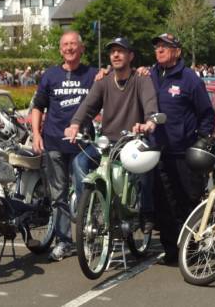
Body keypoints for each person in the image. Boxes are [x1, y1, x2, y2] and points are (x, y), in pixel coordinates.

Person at [65, 37, 159, 233]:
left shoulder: (141, 79)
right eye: (112, 51)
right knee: (79, 162)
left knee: (144, 173)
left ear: (130, 56)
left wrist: (149, 122)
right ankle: (90, 210)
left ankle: (147, 212)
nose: (115, 55)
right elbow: (88, 106)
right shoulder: (103, 81)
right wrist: (75, 124)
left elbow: (150, 104)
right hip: (107, 142)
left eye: (121, 51)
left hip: (133, 140)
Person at [31, 31, 99, 262]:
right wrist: (36, 134)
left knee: (84, 192)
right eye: (65, 45)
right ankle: (64, 241)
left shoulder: (92, 75)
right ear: (60, 50)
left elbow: (115, 88)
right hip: (53, 143)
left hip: (82, 145)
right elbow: (38, 107)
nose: (69, 48)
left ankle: (87, 237)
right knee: (58, 195)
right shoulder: (50, 75)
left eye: (74, 44)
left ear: (82, 48)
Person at [149, 33, 215, 265]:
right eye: (157, 46)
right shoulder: (150, 75)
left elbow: (206, 113)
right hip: (157, 151)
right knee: (164, 203)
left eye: (165, 46)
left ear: (177, 51)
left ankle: (192, 251)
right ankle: (170, 252)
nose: (160, 50)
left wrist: (203, 139)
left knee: (187, 202)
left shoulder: (190, 79)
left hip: (184, 153)